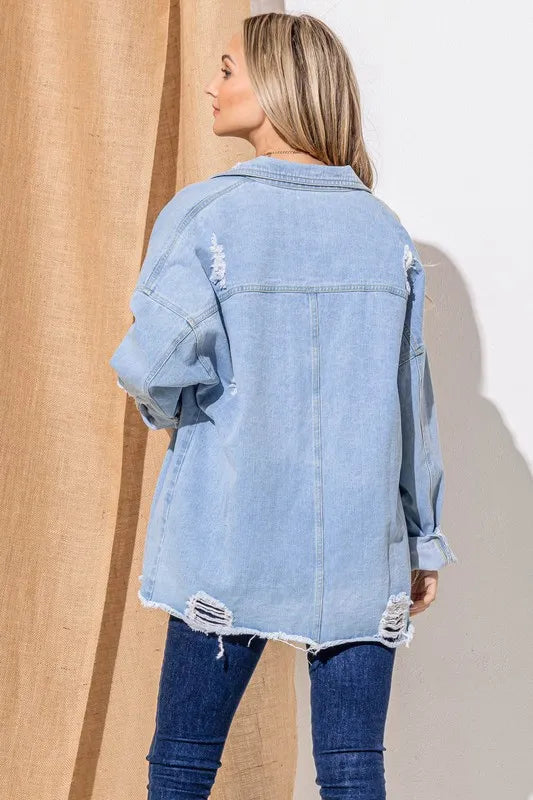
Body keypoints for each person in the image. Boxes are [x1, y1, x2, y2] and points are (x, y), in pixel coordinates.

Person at [109, 11, 458, 800]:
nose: (211, 85)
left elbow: (151, 366)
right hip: (361, 544)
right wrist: (421, 538)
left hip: (227, 536)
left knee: (183, 763)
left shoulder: (207, 216)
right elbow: (412, 404)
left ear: (274, 87)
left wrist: (176, 414)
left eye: (226, 69)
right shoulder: (383, 232)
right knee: (352, 769)